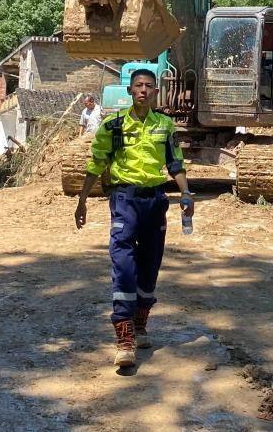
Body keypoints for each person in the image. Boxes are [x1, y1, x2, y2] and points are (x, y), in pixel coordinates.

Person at [74, 69, 193, 368]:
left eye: (148, 86)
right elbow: (96, 163)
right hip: (124, 199)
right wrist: (82, 200)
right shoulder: (113, 126)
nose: (143, 90)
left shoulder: (165, 126)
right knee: (124, 265)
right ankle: (124, 337)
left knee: (150, 267)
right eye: (138, 85)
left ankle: (140, 324)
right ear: (129, 91)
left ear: (156, 92)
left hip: (155, 201)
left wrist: (186, 194)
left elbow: (175, 163)